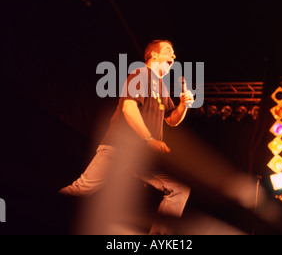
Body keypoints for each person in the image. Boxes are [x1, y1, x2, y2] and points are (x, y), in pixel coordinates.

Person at [59, 40, 194, 235]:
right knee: (81, 188)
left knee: (180, 187)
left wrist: (184, 105)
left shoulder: (162, 87)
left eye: (174, 54)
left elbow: (172, 120)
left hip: (142, 155)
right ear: (153, 56)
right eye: (168, 51)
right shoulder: (140, 74)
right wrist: (149, 140)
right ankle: (34, 212)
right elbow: (129, 108)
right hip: (120, 148)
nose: (173, 56)